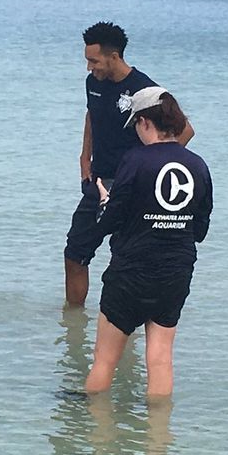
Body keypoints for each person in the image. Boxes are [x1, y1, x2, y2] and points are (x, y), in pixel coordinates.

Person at [85, 87, 212, 397]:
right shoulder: (198, 166)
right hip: (175, 274)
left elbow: (111, 220)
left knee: (105, 360)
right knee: (160, 361)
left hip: (131, 273)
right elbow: (200, 230)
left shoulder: (135, 160)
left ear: (144, 122)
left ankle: (96, 437)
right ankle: (158, 440)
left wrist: (104, 202)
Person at [65, 21, 195, 306]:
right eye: (87, 60)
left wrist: (152, 166)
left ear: (114, 57)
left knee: (125, 258)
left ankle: (125, 331)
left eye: (94, 61)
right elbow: (92, 116)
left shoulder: (145, 90)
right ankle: (73, 323)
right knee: (75, 252)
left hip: (130, 186)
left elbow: (185, 130)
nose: (89, 67)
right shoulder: (93, 83)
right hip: (97, 180)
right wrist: (84, 157)